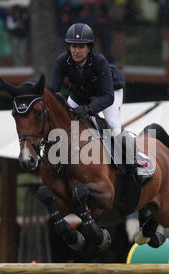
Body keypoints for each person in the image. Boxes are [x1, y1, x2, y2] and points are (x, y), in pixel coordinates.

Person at [49, 23, 153, 186]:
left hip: (109, 92)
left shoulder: (99, 61)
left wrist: (90, 110)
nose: (76, 51)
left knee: (112, 124)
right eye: (73, 46)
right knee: (64, 119)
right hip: (82, 94)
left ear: (89, 47)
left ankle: (140, 160)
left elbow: (108, 97)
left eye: (81, 47)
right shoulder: (63, 61)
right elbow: (52, 91)